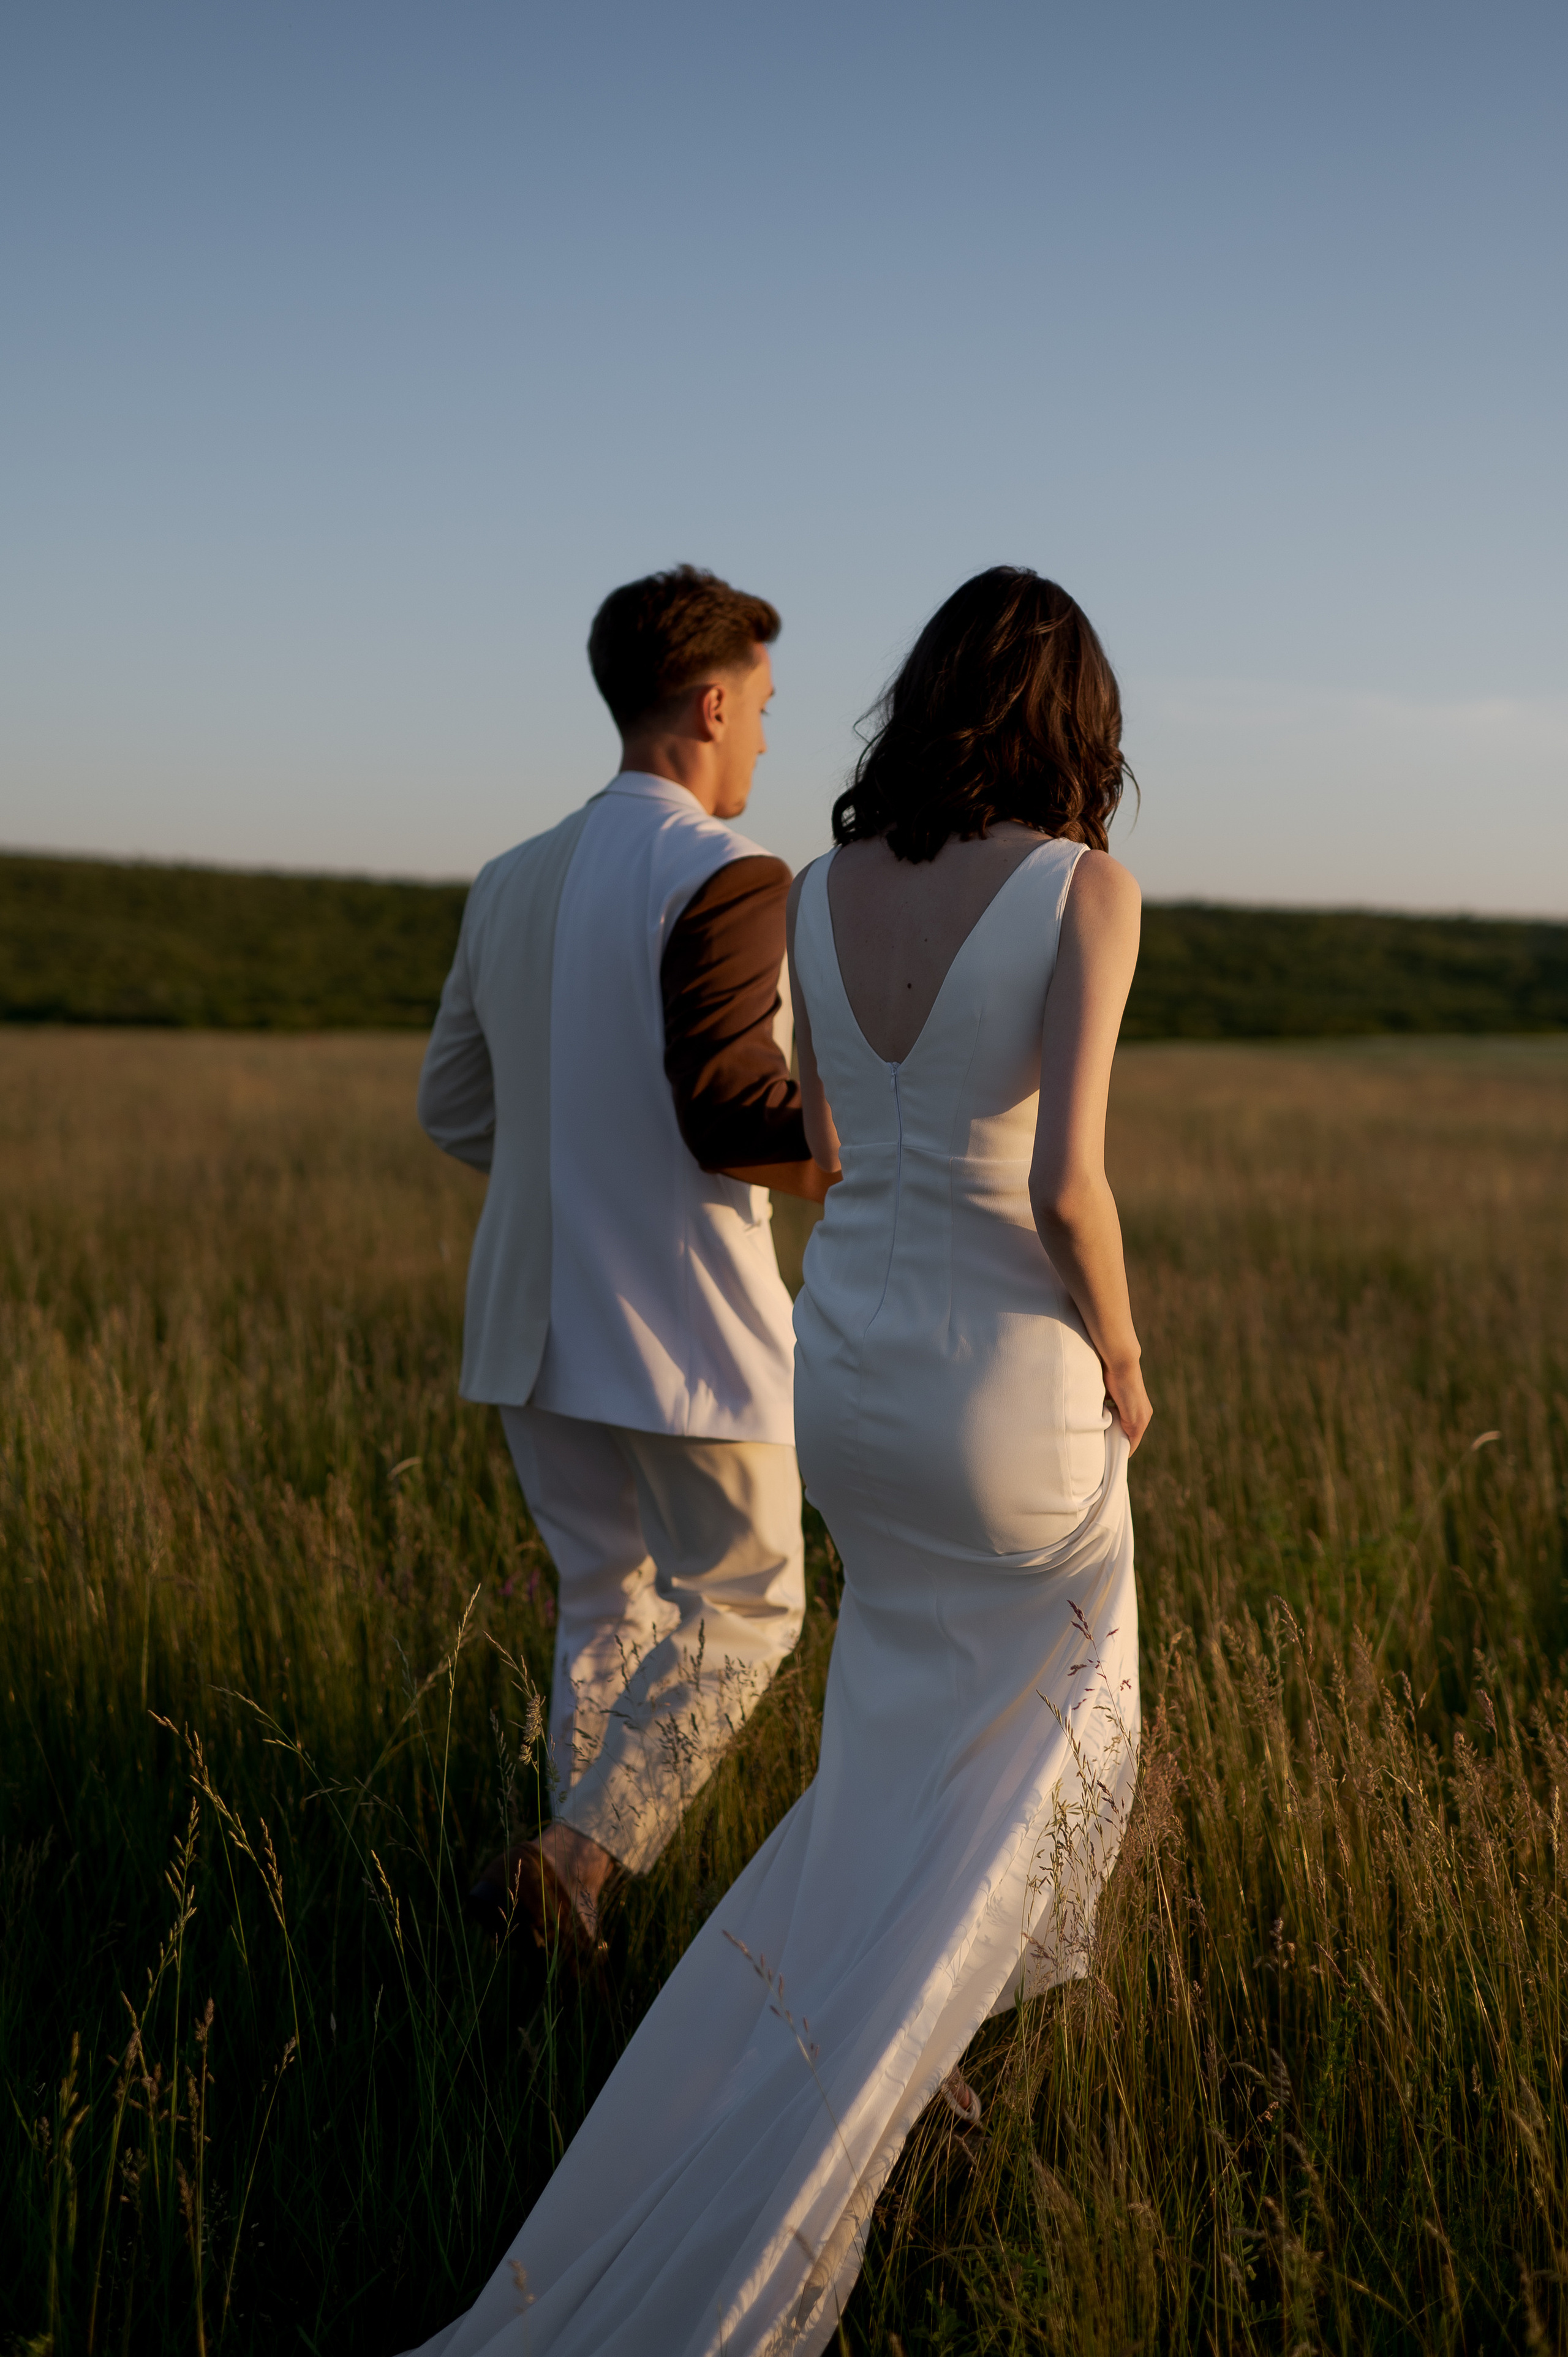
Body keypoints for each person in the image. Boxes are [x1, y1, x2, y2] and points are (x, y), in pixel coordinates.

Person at [407, 567, 1151, 2356]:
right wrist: (1123, 1353)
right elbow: (1053, 1181)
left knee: (784, 1696)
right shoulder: (1054, 886)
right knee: (965, 1709)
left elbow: (763, 1136)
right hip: (880, 1359)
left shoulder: (772, 884)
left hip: (770, 1363)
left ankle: (730, 1991)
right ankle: (810, 2035)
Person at [417, 566, 835, 1960]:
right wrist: (854, 1143)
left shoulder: (504, 878)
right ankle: (575, 1856)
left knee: (604, 1601)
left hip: (524, 1320)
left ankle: (570, 1916)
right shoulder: (727, 872)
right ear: (711, 702)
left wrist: (566, 1175)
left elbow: (450, 1108)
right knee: (756, 1602)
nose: (767, 739)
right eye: (765, 708)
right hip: (684, 1325)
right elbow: (730, 1116)